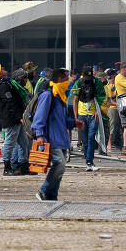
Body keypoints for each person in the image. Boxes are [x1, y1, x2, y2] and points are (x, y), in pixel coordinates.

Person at [34, 68, 83, 201]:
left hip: (62, 139)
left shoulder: (60, 96)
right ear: (60, 79)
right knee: (60, 164)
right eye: (67, 79)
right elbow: (39, 117)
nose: (69, 82)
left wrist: (74, 123)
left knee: (60, 170)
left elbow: (63, 120)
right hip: (51, 138)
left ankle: (52, 196)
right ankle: (43, 190)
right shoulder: (48, 95)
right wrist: (39, 135)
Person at [73, 67, 106, 171]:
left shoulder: (97, 83)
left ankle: (89, 161)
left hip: (93, 115)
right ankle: (88, 162)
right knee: (85, 140)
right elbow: (75, 100)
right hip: (81, 115)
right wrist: (75, 117)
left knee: (91, 138)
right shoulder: (78, 83)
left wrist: (97, 110)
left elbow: (101, 96)